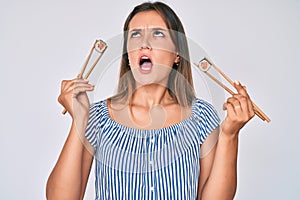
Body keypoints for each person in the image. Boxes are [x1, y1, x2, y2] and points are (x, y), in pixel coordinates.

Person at [46, 1, 254, 199]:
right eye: (135, 34)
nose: (144, 43)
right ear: (128, 53)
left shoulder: (201, 117)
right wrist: (79, 120)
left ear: (177, 54)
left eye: (158, 34)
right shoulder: (98, 117)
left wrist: (230, 134)